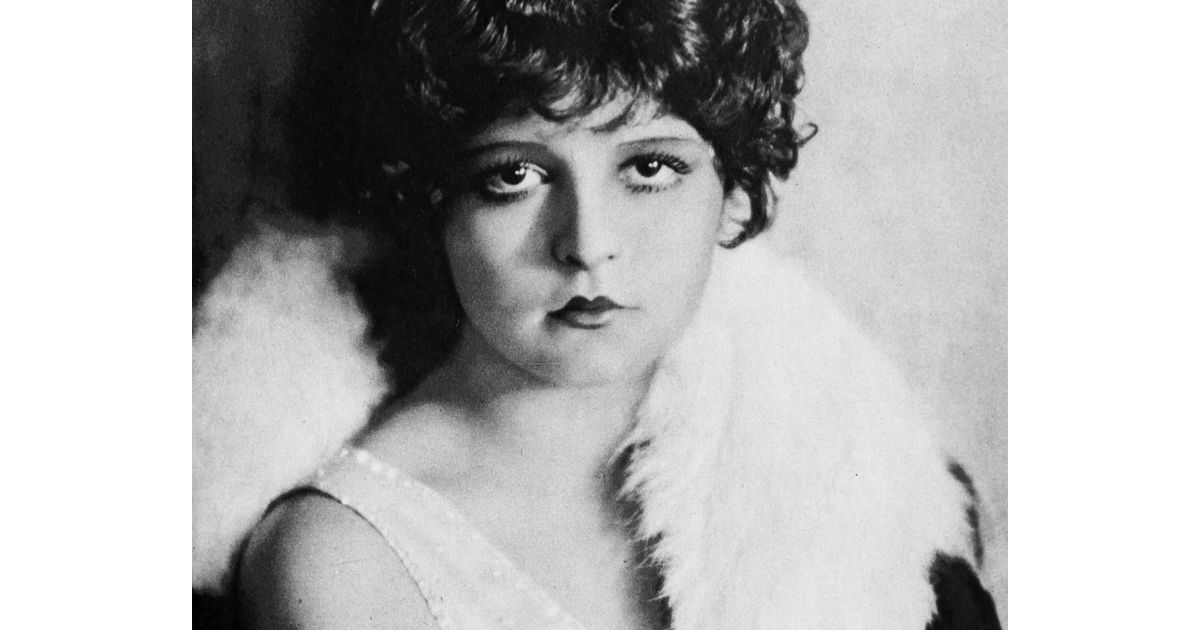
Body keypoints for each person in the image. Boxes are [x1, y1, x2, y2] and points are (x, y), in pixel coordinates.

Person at [191, 0, 1003, 628]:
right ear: (436, 201)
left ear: (735, 192)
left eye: (649, 168)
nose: (588, 245)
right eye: (514, 176)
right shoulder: (347, 559)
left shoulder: (849, 466)